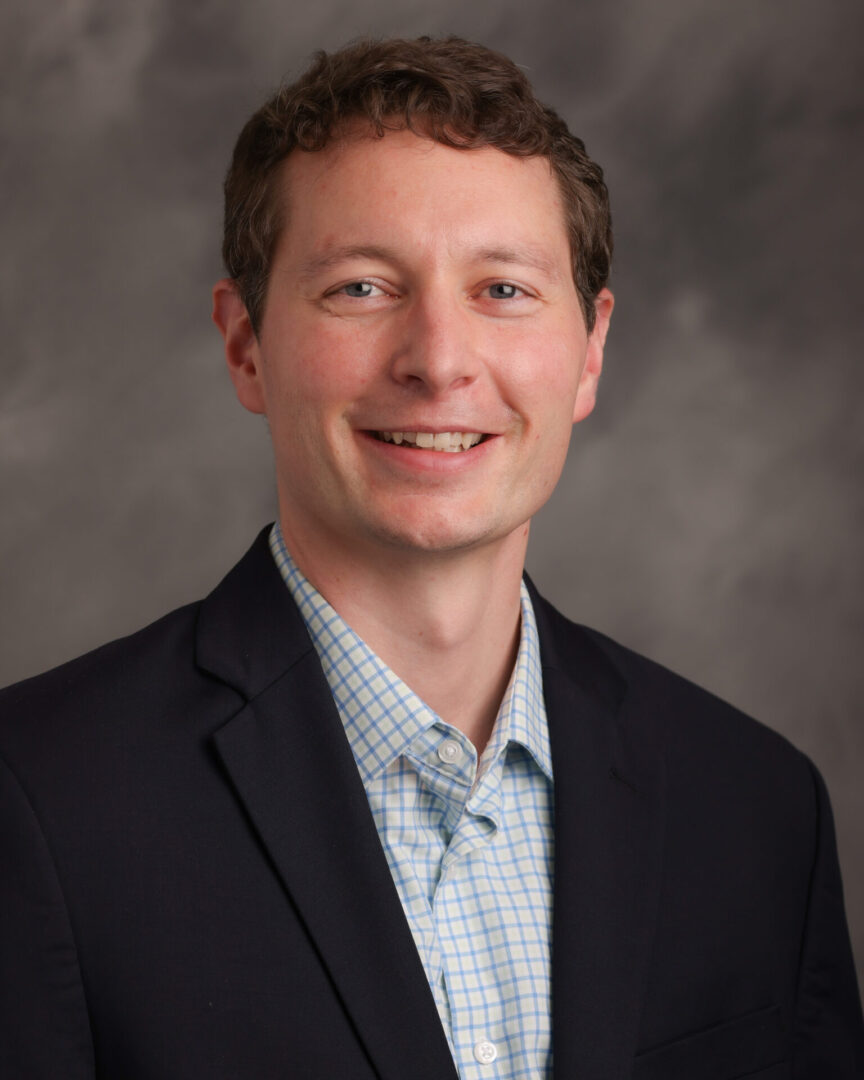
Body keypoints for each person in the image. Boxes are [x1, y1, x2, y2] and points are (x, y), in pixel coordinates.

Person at [0, 35, 861, 1080]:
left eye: (503, 290)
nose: (439, 362)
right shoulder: (39, 802)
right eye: (362, 288)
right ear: (245, 346)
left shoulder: (760, 809)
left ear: (589, 353)